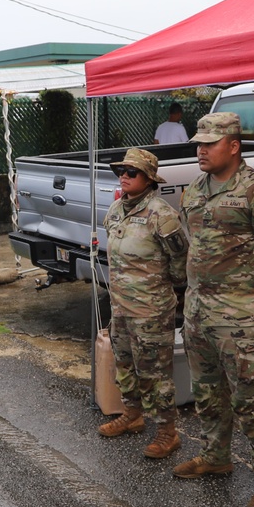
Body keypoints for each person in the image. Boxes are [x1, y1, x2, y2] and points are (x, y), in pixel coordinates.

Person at [173, 112, 254, 507]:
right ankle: (215, 455)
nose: (201, 150)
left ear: (234, 145)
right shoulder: (193, 190)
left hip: (244, 319)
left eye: (210, 143)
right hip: (198, 313)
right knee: (208, 392)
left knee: (253, 402)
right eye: (199, 143)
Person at [97, 148, 188, 459]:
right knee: (125, 365)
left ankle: (167, 432)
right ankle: (132, 415)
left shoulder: (162, 215)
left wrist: (162, 291)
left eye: (131, 172)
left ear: (149, 180)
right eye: (120, 170)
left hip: (150, 310)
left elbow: (180, 262)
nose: (124, 175)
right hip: (120, 307)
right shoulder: (115, 210)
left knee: (156, 375)